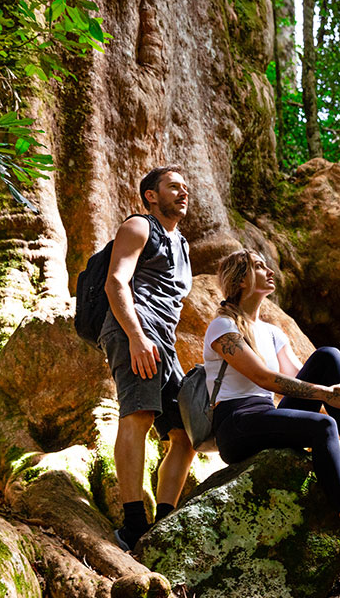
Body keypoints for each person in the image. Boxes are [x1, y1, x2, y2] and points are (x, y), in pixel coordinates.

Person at [204, 248, 340, 556]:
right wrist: (327, 395)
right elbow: (265, 379)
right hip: (236, 424)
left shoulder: (271, 332)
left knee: (329, 356)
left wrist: (337, 390)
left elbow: (297, 379)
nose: (269, 270)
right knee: (323, 424)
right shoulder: (223, 327)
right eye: (258, 266)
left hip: (268, 418)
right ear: (241, 280)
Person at [100, 165, 194, 551]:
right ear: (152, 195)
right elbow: (116, 281)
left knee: (185, 434)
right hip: (134, 330)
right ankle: (133, 525)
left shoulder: (183, 244)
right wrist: (136, 337)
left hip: (164, 343)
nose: (183, 192)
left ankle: (164, 521)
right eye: (173, 187)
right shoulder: (139, 226)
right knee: (138, 415)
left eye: (185, 187)